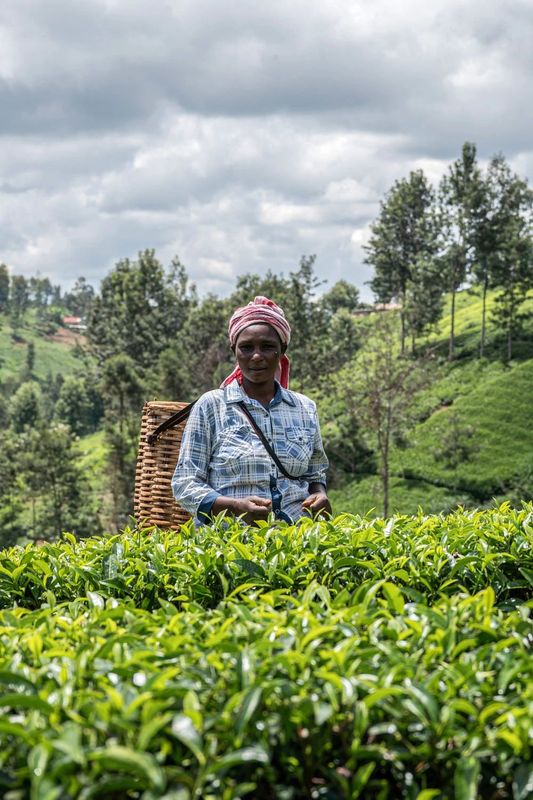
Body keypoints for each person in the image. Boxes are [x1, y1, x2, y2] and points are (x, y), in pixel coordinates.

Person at [171, 296, 331, 525]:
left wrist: (320, 494)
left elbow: (315, 474)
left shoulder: (304, 408)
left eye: (267, 347)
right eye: (246, 347)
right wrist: (234, 508)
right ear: (234, 350)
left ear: (282, 350)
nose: (256, 356)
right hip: (230, 543)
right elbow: (184, 483)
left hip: (296, 543)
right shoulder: (212, 406)